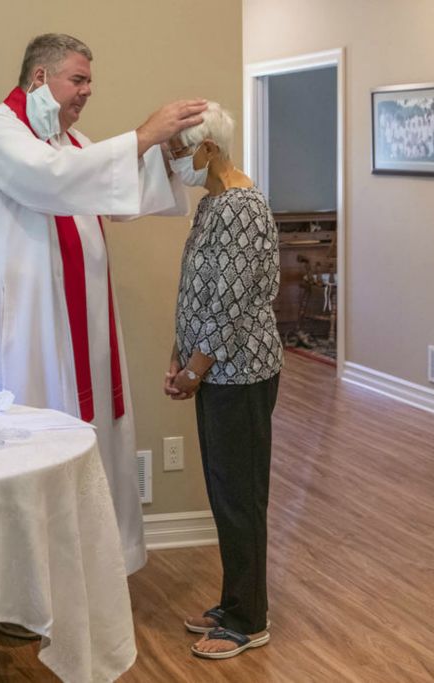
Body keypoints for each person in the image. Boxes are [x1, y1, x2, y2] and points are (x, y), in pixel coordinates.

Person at [0, 32, 206, 579]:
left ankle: (88, 568)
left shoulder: (71, 142)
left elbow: (117, 189)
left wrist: (165, 150)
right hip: (26, 328)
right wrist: (140, 135)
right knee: (32, 435)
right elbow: (51, 181)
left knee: (89, 436)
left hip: (80, 323)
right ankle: (26, 579)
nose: (88, 91)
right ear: (40, 78)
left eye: (90, 81)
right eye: (78, 79)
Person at [163, 102, 283, 660]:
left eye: (182, 151)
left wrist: (194, 369)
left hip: (239, 373)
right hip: (218, 371)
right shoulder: (214, 202)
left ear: (209, 149)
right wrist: (179, 351)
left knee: (239, 497)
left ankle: (248, 620)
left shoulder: (238, 206)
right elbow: (200, 287)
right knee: (225, 490)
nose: (177, 162)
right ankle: (235, 599)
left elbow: (230, 306)